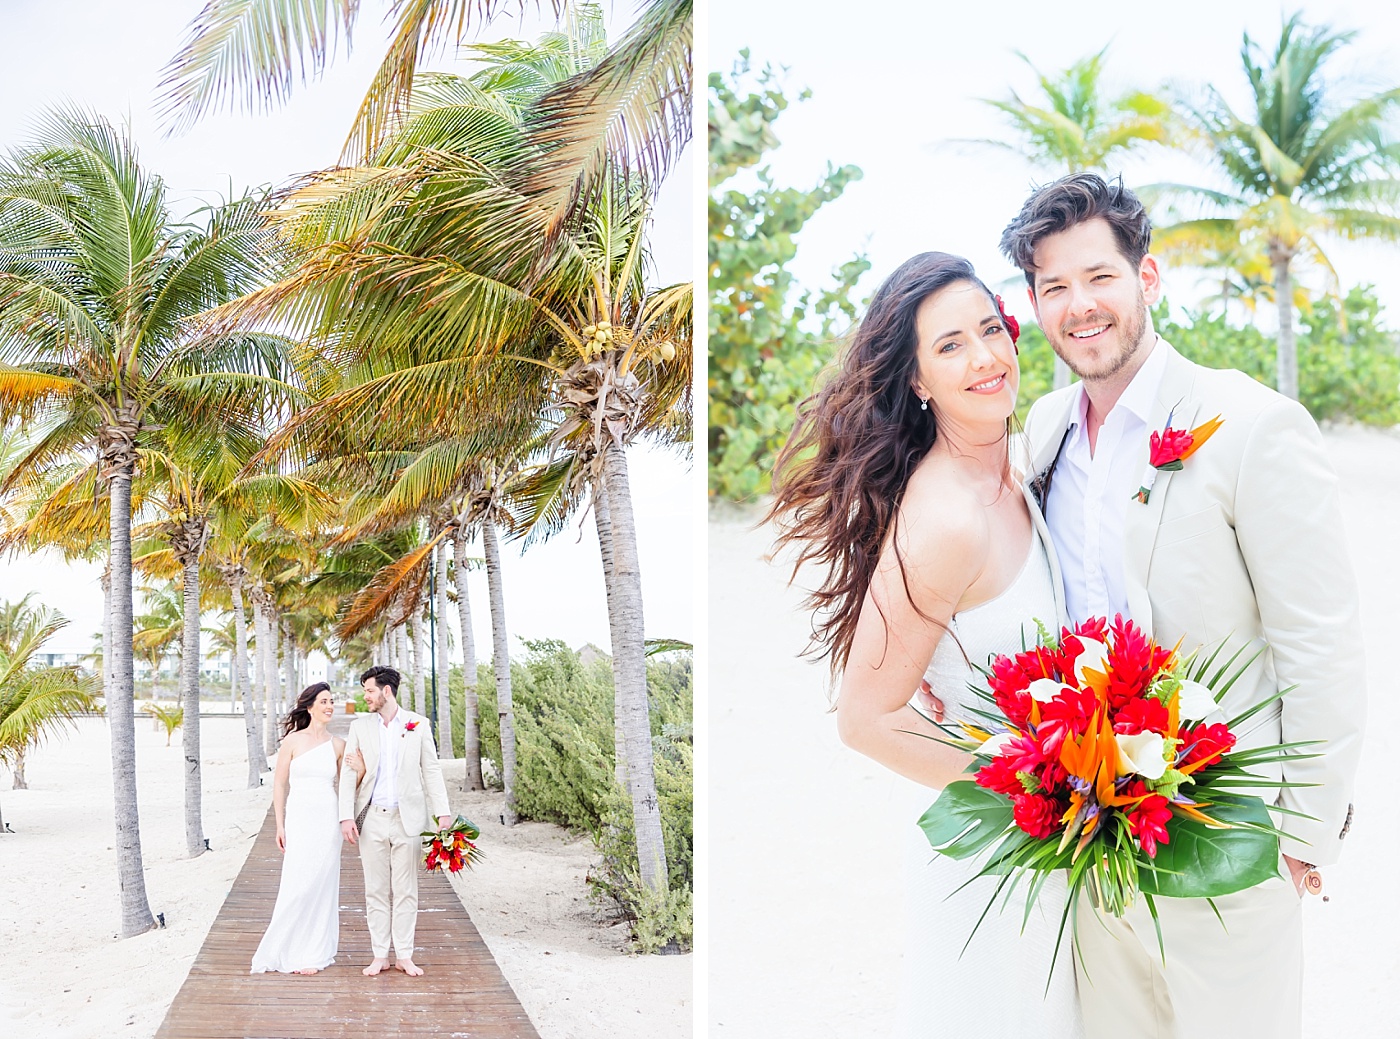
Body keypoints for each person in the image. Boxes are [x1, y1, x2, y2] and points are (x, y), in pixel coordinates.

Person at [922, 172, 1365, 1038]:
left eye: (1100, 277)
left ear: (1147, 279)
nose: (1080, 306)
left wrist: (1303, 829)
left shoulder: (1251, 425)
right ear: (1035, 305)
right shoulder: (1040, 431)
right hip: (1086, 845)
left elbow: (1320, 642)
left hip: (1222, 833)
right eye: (1055, 287)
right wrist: (936, 662)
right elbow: (982, 554)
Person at [768, 251, 1081, 1037]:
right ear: (917, 381)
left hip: (1057, 846)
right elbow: (866, 716)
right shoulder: (945, 518)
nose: (985, 356)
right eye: (950, 346)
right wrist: (1036, 788)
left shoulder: (1018, 466)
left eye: (990, 328)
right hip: (996, 854)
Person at [339, 664, 452, 977]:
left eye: (370, 690)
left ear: (385, 691)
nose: (366, 697)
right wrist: (346, 816)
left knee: (406, 890)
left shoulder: (418, 724)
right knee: (374, 889)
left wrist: (442, 812)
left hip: (408, 819)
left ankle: (404, 954)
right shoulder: (360, 728)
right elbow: (349, 773)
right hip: (372, 817)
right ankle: (379, 955)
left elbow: (431, 769)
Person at [251, 682, 362, 975]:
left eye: (332, 701)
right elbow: (279, 783)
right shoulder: (293, 741)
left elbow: (348, 785)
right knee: (297, 883)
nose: (329, 706)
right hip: (299, 818)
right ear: (310, 706)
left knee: (322, 883)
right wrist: (279, 824)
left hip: (328, 820)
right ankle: (284, 947)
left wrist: (360, 769)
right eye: (324, 701)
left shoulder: (338, 744)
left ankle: (313, 952)